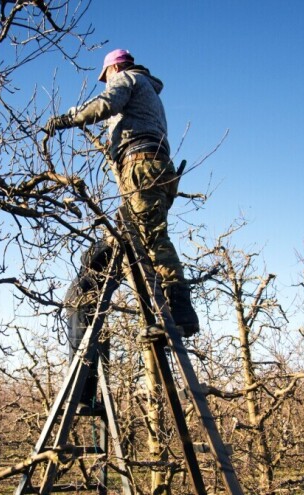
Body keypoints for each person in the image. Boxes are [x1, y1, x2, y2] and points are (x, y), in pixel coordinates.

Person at [45, 48, 199, 337]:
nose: (105, 82)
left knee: (153, 238)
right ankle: (163, 314)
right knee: (141, 237)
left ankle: (180, 311)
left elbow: (105, 104)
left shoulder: (126, 79)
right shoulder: (150, 94)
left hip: (141, 167)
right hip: (155, 168)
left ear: (114, 69)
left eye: (105, 77)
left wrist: (67, 119)